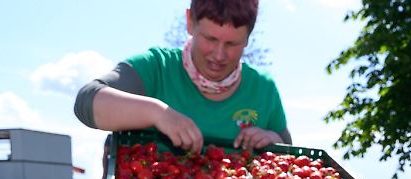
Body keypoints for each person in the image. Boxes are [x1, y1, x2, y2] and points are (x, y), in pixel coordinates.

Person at [74, 0, 291, 163]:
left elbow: (290, 149)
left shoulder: (263, 88)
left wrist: (273, 140)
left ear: (248, 38)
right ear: (190, 22)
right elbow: (87, 101)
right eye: (210, 39)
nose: (219, 54)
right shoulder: (157, 67)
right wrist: (157, 113)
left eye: (233, 43)